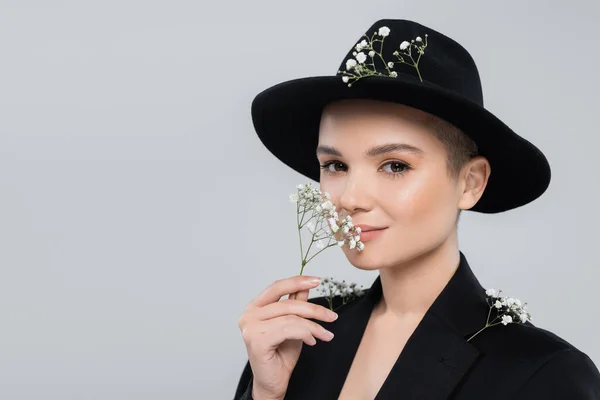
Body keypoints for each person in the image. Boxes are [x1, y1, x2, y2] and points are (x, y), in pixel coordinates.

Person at [233, 19, 600, 399]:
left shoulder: (542, 373)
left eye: (395, 165)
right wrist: (267, 393)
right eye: (335, 166)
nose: (350, 198)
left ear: (470, 182)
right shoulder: (302, 338)